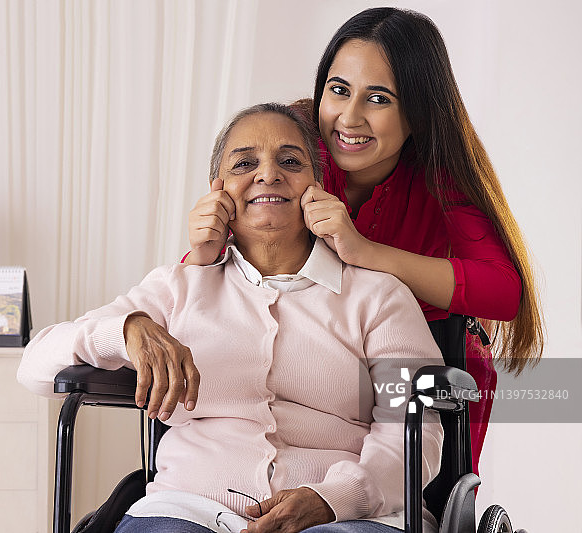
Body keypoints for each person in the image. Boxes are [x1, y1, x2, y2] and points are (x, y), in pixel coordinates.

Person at [19, 103, 444, 533]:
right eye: (245, 163)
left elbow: (415, 436)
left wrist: (334, 498)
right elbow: (34, 367)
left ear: (316, 187)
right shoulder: (178, 286)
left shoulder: (379, 296)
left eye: (290, 161)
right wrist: (126, 330)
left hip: (347, 517)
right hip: (187, 509)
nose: (268, 174)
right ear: (217, 192)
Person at [185, 7, 543, 476]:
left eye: (378, 98)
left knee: (401, 475)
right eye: (338, 91)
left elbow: (503, 292)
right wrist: (202, 249)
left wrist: (366, 254)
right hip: (304, 337)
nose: (348, 119)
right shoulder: (293, 142)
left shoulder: (440, 167)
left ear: (418, 111)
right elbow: (202, 276)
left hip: (416, 351)